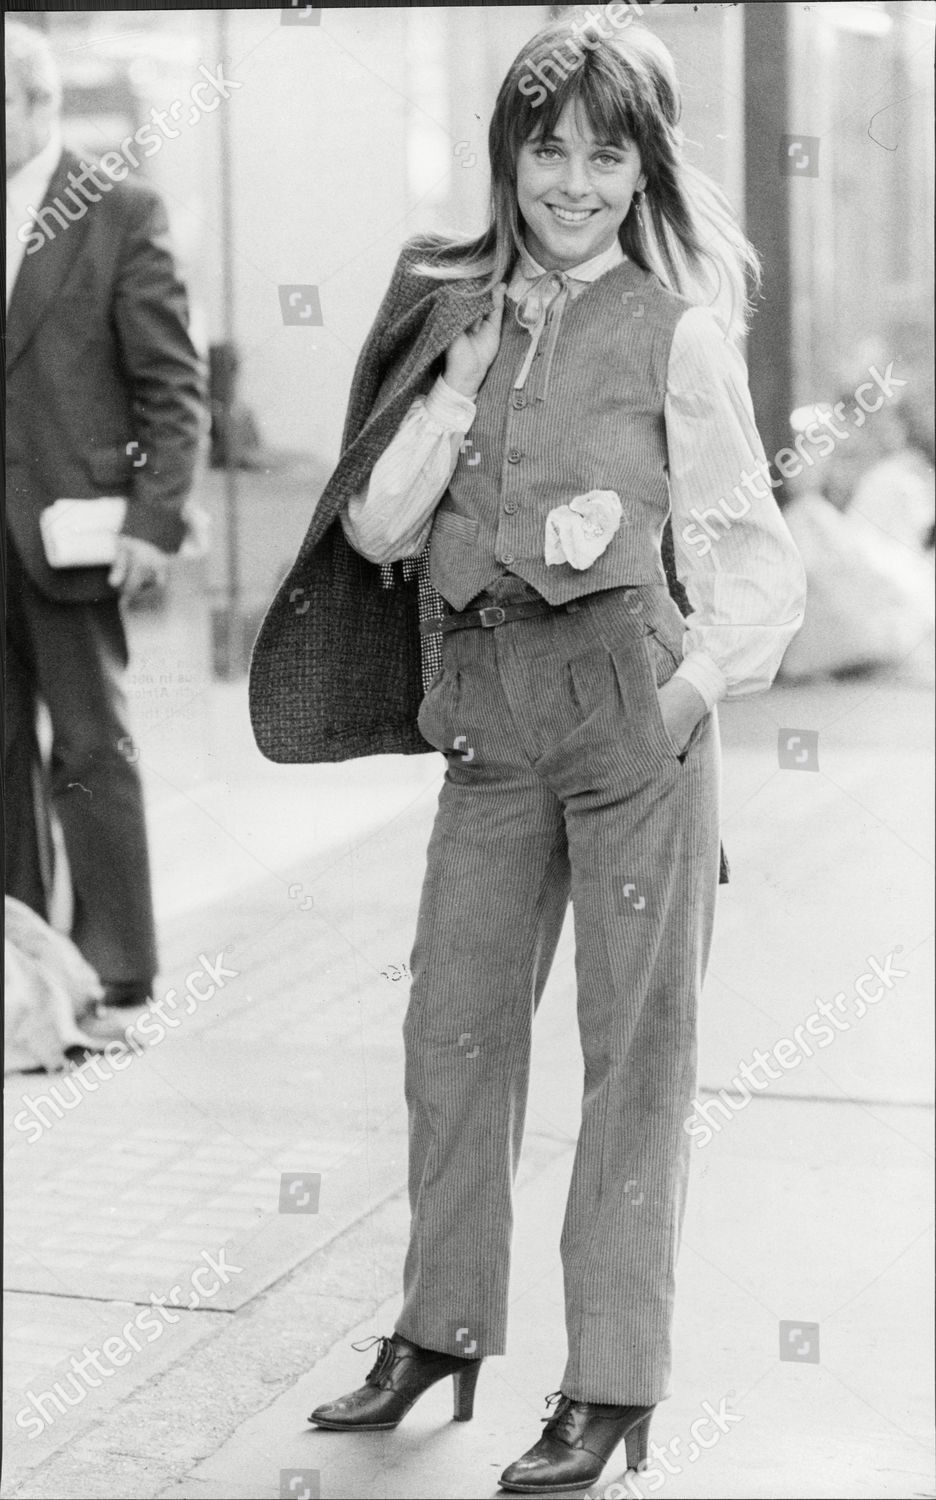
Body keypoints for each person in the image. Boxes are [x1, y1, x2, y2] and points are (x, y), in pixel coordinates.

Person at [250, 15, 805, 1493]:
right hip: (488, 729)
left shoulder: (676, 333)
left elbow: (759, 569)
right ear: (508, 156)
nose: (570, 180)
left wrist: (678, 708)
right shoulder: (454, 310)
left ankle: (611, 1383)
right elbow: (372, 532)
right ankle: (439, 1333)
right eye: (545, 147)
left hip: (633, 732)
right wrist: (457, 374)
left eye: (603, 153)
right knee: (453, 1037)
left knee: (635, 1061)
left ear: (642, 171)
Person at [5, 21, 204, 1010]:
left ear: (39, 104)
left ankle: (119, 965)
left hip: (70, 529)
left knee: (90, 745)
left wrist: (153, 520)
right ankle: (27, 969)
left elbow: (173, 383)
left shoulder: (119, 208)